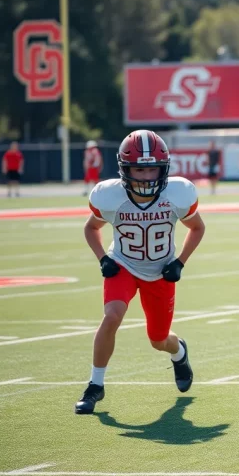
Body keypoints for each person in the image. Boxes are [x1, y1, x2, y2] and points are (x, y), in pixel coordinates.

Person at [75, 130, 207, 415]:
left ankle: (179, 351)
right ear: (125, 169)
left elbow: (197, 228)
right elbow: (91, 228)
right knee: (112, 317)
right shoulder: (110, 196)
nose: (146, 176)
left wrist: (180, 262)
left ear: (164, 169)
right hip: (123, 264)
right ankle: (95, 386)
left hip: (160, 271)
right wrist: (102, 259)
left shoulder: (177, 194)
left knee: (159, 340)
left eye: (152, 169)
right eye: (139, 169)